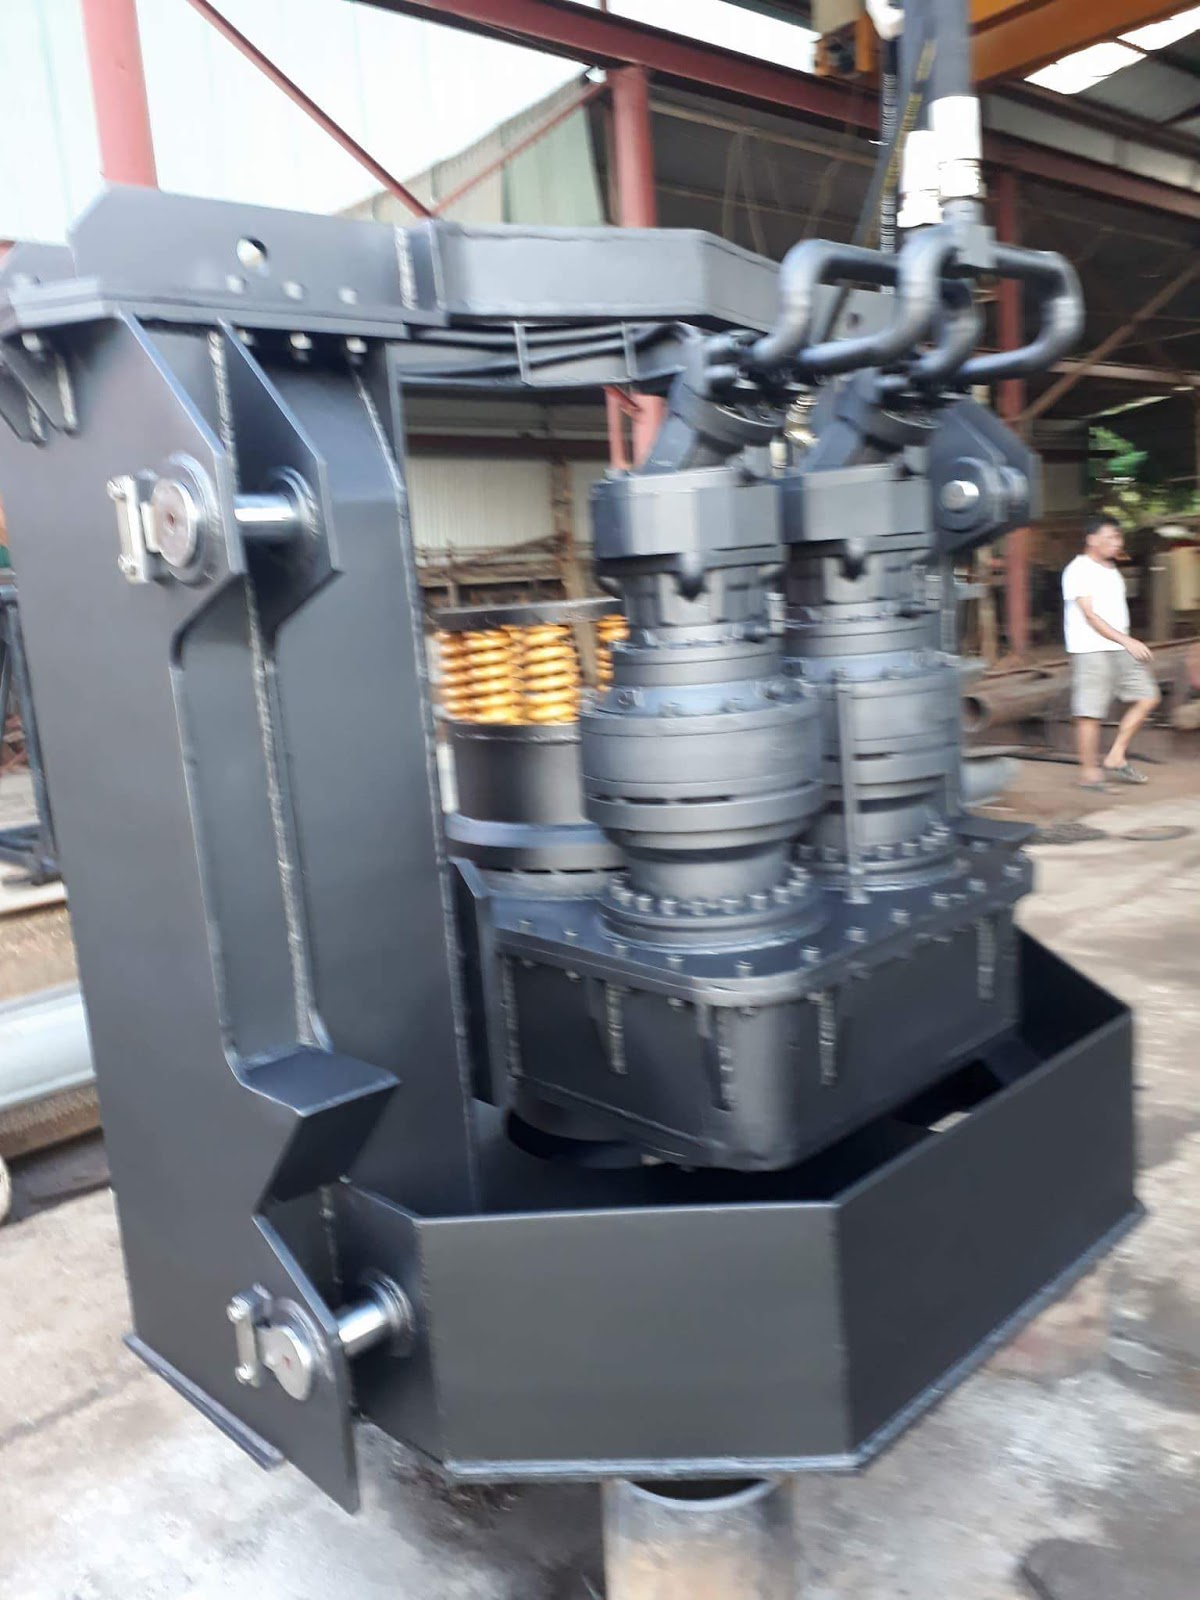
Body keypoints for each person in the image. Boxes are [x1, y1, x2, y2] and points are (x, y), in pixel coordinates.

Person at [1062, 516, 1159, 790]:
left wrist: (1124, 642)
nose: (1117, 542)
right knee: (1089, 712)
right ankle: (1088, 774)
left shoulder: (1111, 569)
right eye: (1110, 537)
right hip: (1091, 649)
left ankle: (1116, 756)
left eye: (1118, 537)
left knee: (1148, 697)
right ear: (1091, 539)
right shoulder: (1078, 569)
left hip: (1118, 647)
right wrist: (1128, 641)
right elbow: (1090, 616)